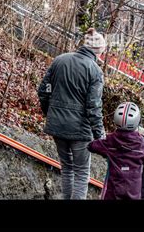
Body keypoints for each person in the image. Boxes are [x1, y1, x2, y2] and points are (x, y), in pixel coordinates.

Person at [37, 28, 106, 199]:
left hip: (57, 125)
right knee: (82, 173)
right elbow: (93, 107)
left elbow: (43, 91)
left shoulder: (59, 60)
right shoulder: (95, 71)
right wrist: (100, 136)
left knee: (67, 168)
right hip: (80, 131)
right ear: (98, 51)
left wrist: (50, 114)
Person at [88, 102, 144, 200]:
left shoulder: (110, 141)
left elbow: (92, 146)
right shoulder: (141, 143)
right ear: (138, 121)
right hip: (133, 193)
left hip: (113, 192)